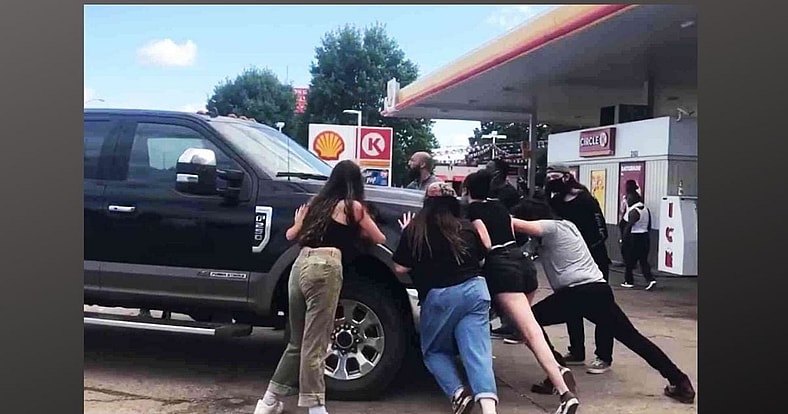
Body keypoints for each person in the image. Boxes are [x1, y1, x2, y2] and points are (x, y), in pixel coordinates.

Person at [510, 197, 696, 405]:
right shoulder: (562, 229)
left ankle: (557, 371)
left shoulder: (553, 227)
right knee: (633, 338)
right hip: (596, 291)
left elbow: (516, 224)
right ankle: (680, 381)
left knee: (526, 322)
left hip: (577, 293)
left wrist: (487, 215)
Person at [254, 160, 387, 414]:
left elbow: (291, 235)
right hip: (325, 267)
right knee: (316, 343)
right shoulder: (353, 207)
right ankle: (316, 408)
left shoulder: (316, 204)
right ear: (355, 182)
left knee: (297, 341)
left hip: (298, 265)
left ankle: (268, 402)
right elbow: (378, 237)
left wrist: (299, 222)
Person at [463, 171, 580, 414]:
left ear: (467, 190)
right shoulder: (499, 208)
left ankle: (564, 392)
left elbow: (485, 242)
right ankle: (558, 371)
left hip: (503, 269)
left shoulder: (473, 211)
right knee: (526, 329)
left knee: (529, 331)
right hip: (523, 265)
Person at [393, 182, 499, 414]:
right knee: (477, 352)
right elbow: (482, 259)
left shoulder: (416, 230)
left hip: (441, 296)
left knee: (435, 351)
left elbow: (400, 268)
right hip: (476, 292)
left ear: (427, 203)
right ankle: (489, 408)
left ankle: (458, 393)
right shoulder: (466, 227)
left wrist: (406, 236)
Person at [544, 164, 613, 374]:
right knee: (570, 306)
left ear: (567, 177)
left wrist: (586, 250)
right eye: (549, 178)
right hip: (567, 264)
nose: (551, 181)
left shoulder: (586, 200)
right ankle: (576, 350)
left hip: (593, 262)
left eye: (555, 177)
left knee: (603, 311)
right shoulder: (554, 202)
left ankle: (604, 356)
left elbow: (601, 231)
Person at [619, 180, 657, 290]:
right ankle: (651, 279)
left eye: (629, 199)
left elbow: (628, 227)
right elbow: (649, 225)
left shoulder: (633, 211)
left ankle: (629, 281)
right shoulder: (645, 209)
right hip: (645, 236)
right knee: (643, 260)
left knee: (629, 261)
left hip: (635, 237)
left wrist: (624, 240)